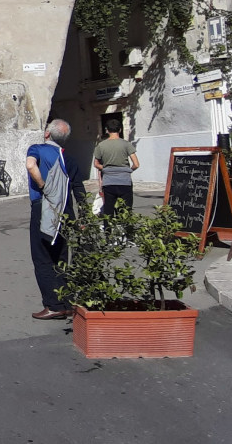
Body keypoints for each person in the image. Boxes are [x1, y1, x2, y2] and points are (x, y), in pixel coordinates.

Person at [25, 118, 85, 320]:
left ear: (48, 134)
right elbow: (79, 189)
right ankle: (65, 302)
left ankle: (53, 305)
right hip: (66, 211)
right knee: (61, 258)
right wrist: (83, 216)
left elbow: (31, 165)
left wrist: (42, 185)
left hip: (44, 208)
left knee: (42, 258)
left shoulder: (37, 149)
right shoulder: (70, 159)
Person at [92, 118, 139, 216]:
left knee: (108, 210)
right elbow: (136, 164)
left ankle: (108, 230)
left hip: (109, 181)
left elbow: (96, 164)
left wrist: (105, 168)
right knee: (126, 210)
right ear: (120, 130)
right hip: (125, 181)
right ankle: (126, 230)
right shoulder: (126, 144)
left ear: (107, 130)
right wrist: (128, 170)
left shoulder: (101, 145)